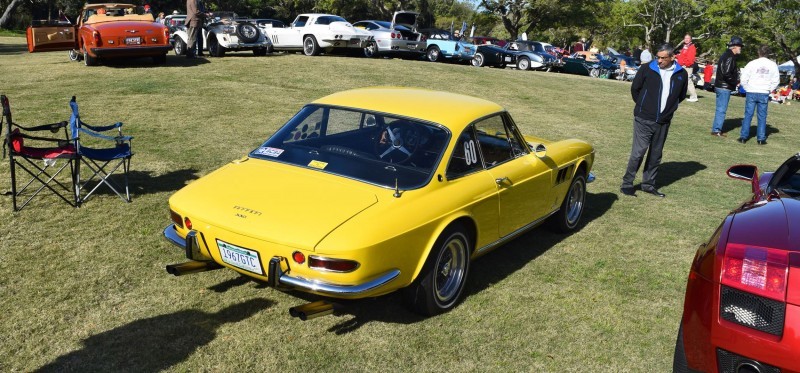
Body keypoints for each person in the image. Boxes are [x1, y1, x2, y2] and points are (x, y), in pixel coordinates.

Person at [621, 43, 688, 198]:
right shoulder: (647, 69)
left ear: (672, 57)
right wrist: (643, 107)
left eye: (663, 58)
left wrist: (668, 110)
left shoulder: (681, 74)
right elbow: (635, 89)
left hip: (663, 121)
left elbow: (681, 96)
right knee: (638, 153)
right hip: (643, 119)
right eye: (658, 57)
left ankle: (648, 185)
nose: (659, 61)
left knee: (655, 154)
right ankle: (627, 184)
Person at [738, 45, 779, 144]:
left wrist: (747, 88)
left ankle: (743, 137)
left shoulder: (752, 63)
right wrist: (769, 89)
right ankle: (760, 138)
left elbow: (743, 78)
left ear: (758, 53)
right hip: (764, 91)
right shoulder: (773, 65)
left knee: (748, 114)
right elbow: (776, 81)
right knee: (762, 116)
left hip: (752, 91)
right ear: (768, 53)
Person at [710, 36, 743, 137]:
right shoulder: (730, 56)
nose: (740, 48)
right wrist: (735, 81)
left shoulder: (726, 55)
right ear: (734, 47)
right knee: (721, 109)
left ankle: (716, 129)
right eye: (739, 46)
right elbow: (726, 73)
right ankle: (716, 130)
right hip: (724, 87)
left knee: (720, 108)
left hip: (721, 86)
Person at [676, 34, 698, 102]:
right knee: (681, 80)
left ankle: (694, 96)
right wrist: (677, 56)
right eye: (685, 38)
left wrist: (685, 64)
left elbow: (690, 59)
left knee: (688, 81)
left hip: (687, 67)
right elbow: (682, 56)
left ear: (691, 39)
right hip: (683, 65)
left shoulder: (691, 47)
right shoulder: (685, 46)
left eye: (688, 38)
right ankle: (679, 94)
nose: (686, 39)